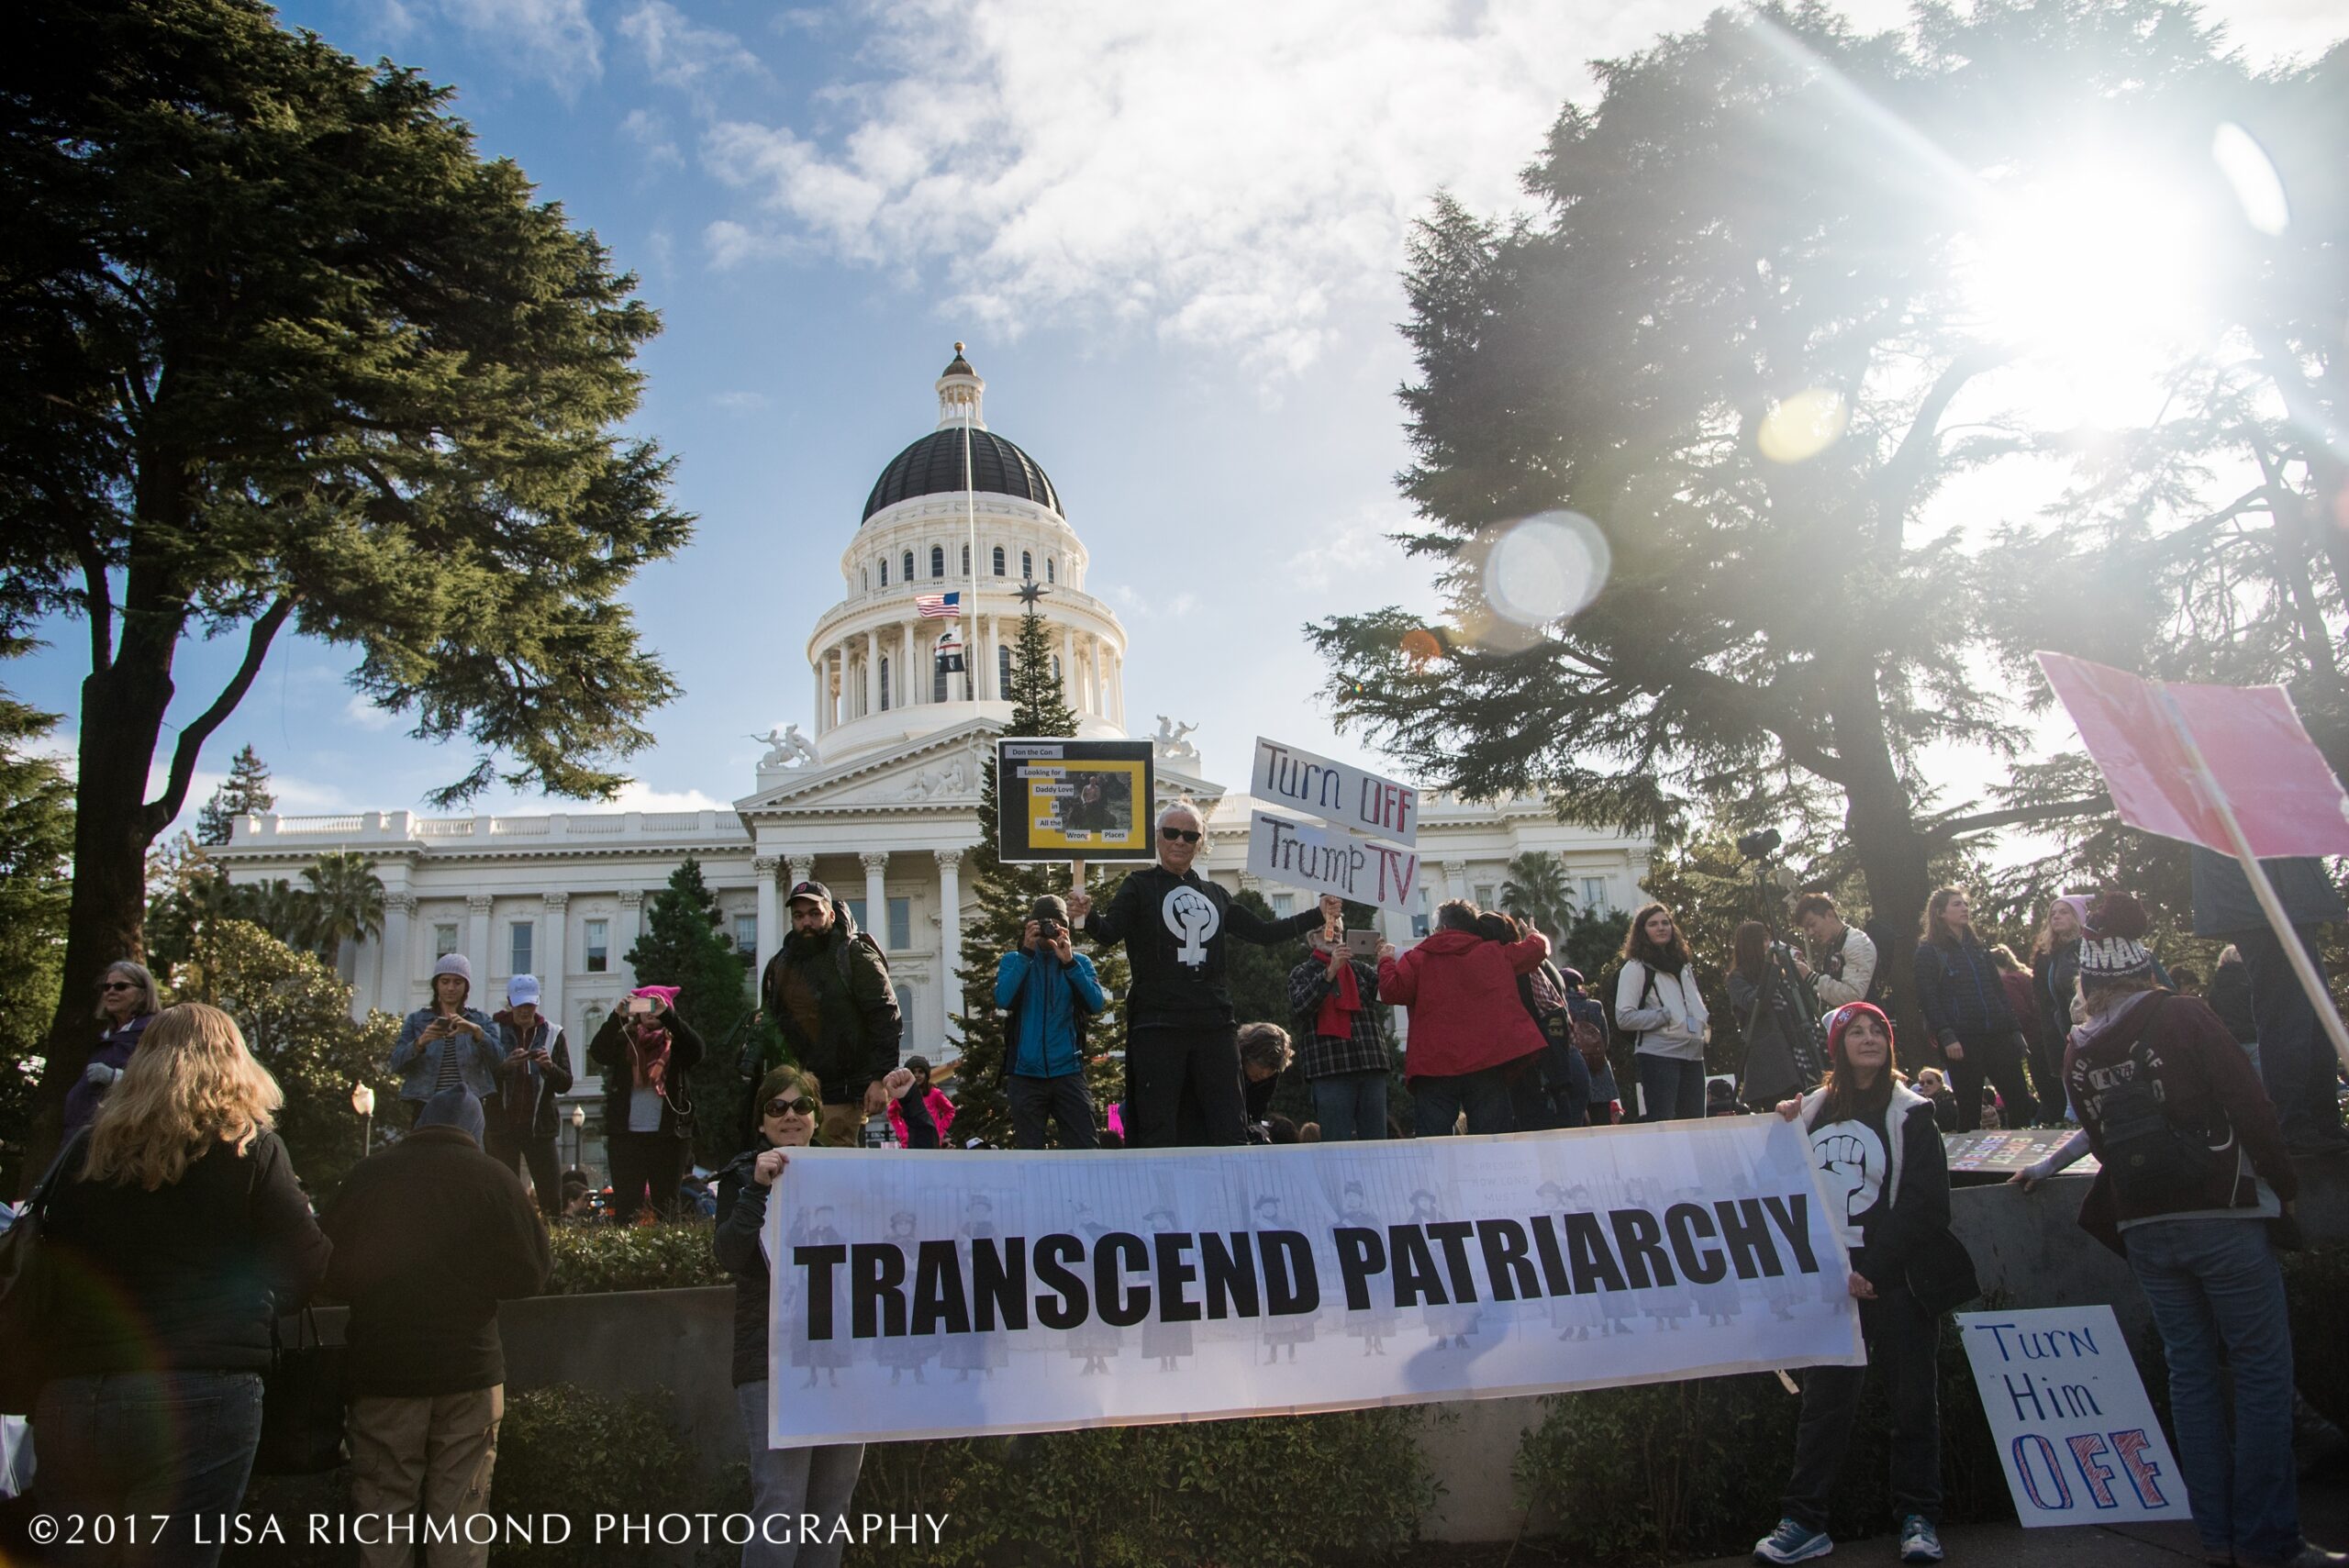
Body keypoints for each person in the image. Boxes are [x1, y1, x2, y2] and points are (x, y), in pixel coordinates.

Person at [2015, 894, 2342, 1568]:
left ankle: (2216, 1536)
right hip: (2220, 1212)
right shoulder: (2184, 1015)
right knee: (2260, 1373)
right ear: (2144, 966)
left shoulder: (2077, 1048)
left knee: (2190, 1375)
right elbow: (2251, 1105)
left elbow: (2101, 1140)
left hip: (2143, 1225)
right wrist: (2284, 1183)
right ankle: (2269, 1539)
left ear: (2088, 980)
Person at [35, 1003, 331, 1567]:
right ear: (234, 1063)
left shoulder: (85, 1151)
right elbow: (307, 1266)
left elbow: (49, 1254)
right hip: (202, 1387)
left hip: (77, 1390)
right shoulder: (249, 1149)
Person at [1754, 1001, 1950, 1566]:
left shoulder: (1914, 1113)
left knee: (1914, 1400)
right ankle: (1804, 1520)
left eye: (1877, 1031)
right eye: (1855, 1031)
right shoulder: (1811, 1111)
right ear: (1836, 1046)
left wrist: (1877, 1269)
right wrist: (1780, 1124)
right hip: (1833, 1285)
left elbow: (1925, 1204)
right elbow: (1778, 1181)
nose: (1869, 1039)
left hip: (1895, 1281)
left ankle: (1918, 1517)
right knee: (1825, 1406)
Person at [323, 1085, 551, 1568]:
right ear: (476, 1131)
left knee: (384, 1508)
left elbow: (329, 1271)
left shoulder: (369, 1175)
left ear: (418, 1126)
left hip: (384, 1372)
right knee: (462, 1516)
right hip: (469, 1371)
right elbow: (529, 1275)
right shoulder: (495, 1178)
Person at [1068, 799, 1336, 1147]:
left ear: (1200, 842)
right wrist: (1086, 916)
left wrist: (1317, 913)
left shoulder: (1215, 894)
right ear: (1157, 838)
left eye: (1190, 835)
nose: (1180, 841)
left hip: (1212, 1022)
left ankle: (1226, 1195)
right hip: (1158, 1023)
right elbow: (1107, 933)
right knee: (1158, 1123)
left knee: (1228, 1121)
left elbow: (1264, 933)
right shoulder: (1138, 885)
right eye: (1171, 833)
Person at [715, 1065, 871, 1568]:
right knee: (780, 1507)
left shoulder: (848, 1173)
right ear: (762, 1121)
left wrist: (909, 1105)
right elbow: (732, 1256)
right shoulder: (741, 1175)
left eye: (801, 1106)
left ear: (817, 1117)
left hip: (843, 1359)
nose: (790, 1116)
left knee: (830, 1512)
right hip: (773, 1362)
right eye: (777, 1108)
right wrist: (758, 1190)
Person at [2190, 848, 2349, 1155]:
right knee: (2288, 1016)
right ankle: (2295, 1123)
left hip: (2282, 894)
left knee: (2315, 1015)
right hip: (2262, 898)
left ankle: (2320, 1119)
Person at [1376, 900, 1551, 1136]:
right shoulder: (1494, 953)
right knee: (1491, 1140)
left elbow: (1391, 990)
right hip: (1486, 1062)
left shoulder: (1417, 958)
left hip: (1433, 1066)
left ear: (1444, 928)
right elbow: (1537, 950)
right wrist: (1534, 935)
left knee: (1434, 1143)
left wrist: (1385, 961)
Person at [758, 881, 902, 1148]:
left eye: (815, 913)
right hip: (794, 1093)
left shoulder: (854, 955)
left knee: (835, 1167)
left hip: (842, 1092)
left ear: (831, 915)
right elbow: (772, 1021)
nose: (807, 922)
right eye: (799, 916)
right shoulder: (781, 963)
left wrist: (880, 1078)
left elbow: (886, 1017)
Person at [1911, 887, 2034, 1132]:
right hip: (1962, 1041)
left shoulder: (1979, 948)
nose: (1964, 909)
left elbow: (1998, 992)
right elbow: (1928, 998)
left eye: (1965, 904)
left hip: (1997, 1034)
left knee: (2020, 1101)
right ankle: (1972, 1168)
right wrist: (1946, 1035)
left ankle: (2024, 1157)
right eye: (1956, 905)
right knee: (1969, 1110)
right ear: (1940, 913)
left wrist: (2014, 1030)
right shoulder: (1928, 951)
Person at [993, 895, 1108, 1150]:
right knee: (1030, 1153)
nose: (1049, 930)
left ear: (1065, 928)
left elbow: (1096, 1003)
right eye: (1044, 924)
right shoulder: (1013, 960)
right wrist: (1026, 952)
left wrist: (1069, 963)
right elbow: (1003, 999)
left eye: (1057, 924)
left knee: (1086, 1148)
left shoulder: (1080, 963)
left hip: (1068, 1070)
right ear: (1031, 925)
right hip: (1025, 1074)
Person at [587, 985, 705, 1221]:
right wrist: (616, 1017)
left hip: (669, 1136)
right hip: (626, 1136)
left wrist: (669, 1017)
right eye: (644, 1006)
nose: (650, 1012)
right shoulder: (625, 1041)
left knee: (667, 1206)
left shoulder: (677, 1043)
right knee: (627, 1208)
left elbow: (698, 1050)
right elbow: (599, 1052)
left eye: (656, 1005)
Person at [1286, 924, 1391, 1141]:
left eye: (1338, 931)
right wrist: (1330, 971)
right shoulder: (1302, 972)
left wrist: (1385, 961)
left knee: (1376, 1143)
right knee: (1336, 1143)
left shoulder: (1359, 969)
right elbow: (1301, 1007)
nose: (1333, 935)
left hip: (1370, 1064)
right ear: (1312, 940)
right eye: (1325, 930)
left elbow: (1389, 994)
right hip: (1330, 1068)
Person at [1617, 902, 1710, 1122]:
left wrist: (1703, 1022)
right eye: (1653, 924)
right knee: (1664, 1123)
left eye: (1665, 923)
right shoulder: (1636, 968)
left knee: (1696, 1124)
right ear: (1642, 931)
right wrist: (1663, 1016)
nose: (1661, 928)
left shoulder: (1684, 966)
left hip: (1694, 1054)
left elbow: (1694, 1004)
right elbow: (1623, 1017)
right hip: (1659, 1056)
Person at [488, 973, 573, 1215]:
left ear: (537, 1002)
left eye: (530, 1004)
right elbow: (481, 1078)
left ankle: (553, 1245)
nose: (525, 1010)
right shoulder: (494, 1030)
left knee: (550, 1197)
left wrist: (549, 1067)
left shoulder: (553, 1032)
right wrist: (506, 1067)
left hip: (540, 1127)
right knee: (505, 1195)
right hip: (502, 1126)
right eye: (520, 1004)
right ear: (509, 1001)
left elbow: (565, 1083)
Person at [389, 952, 502, 1125]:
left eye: (457, 982)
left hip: (468, 1104)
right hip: (427, 1103)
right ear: (436, 985)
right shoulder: (417, 1020)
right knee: (427, 1151)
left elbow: (499, 1059)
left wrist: (476, 1032)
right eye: (445, 981)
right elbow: (396, 1063)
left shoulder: (480, 1020)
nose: (451, 988)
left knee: (467, 1152)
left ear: (466, 987)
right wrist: (421, 1042)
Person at [62, 959, 162, 1135]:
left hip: (117, 1135)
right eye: (106, 987)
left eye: (121, 986)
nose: (111, 992)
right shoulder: (110, 1035)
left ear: (143, 993)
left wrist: (114, 1077)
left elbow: (161, 1082)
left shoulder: (153, 1032)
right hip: (81, 1132)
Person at [1730, 919, 1809, 1110]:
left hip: (1794, 1057)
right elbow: (1756, 1003)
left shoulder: (1780, 977)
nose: (1770, 944)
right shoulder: (1737, 978)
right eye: (1764, 939)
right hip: (1769, 1067)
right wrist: (1771, 970)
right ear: (1751, 945)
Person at [1558, 968, 1622, 1124]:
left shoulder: (1559, 1007)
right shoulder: (1595, 1006)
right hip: (1599, 1072)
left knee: (1577, 1127)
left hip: (1573, 1073)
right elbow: (1604, 1040)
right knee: (1602, 1128)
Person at [1793, 894, 1878, 1009]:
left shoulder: (1856, 943)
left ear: (1829, 914)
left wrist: (1810, 977)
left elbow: (1853, 995)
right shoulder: (1835, 946)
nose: (1810, 933)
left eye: (1812, 924)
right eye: (1806, 929)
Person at [1237, 1021, 1296, 1136]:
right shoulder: (1230, 1065)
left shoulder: (1271, 1077)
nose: (1264, 1074)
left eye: (1271, 1069)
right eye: (1262, 1064)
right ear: (1248, 1053)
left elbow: (1257, 1111)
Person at [885, 1056, 955, 1150]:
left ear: (927, 1075)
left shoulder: (935, 1093)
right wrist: (902, 1133)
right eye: (913, 1072)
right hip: (910, 1142)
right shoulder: (901, 1095)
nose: (917, 1075)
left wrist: (939, 1130)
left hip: (931, 1142)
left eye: (920, 1072)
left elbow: (950, 1110)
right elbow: (892, 1114)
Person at [1913, 1065, 1958, 1132]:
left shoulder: (1948, 1100)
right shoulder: (1924, 1103)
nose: (1925, 1085)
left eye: (1929, 1082)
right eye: (1922, 1083)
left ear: (1940, 1082)